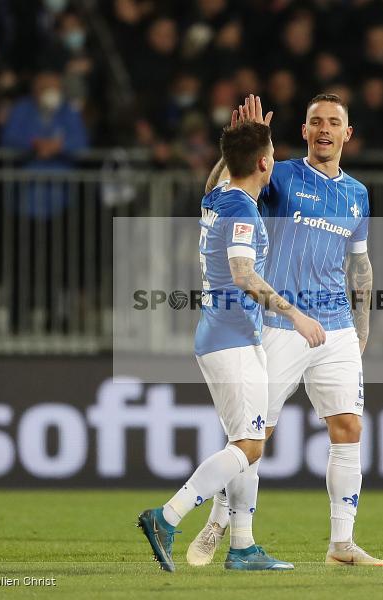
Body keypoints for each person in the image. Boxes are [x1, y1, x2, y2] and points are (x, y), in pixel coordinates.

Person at [189, 94, 383, 567]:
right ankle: (221, 523)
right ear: (303, 132)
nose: (324, 129)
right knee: (255, 435)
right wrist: (236, 145)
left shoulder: (357, 194)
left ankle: (342, 544)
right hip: (280, 323)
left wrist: (361, 326)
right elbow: (228, 188)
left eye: (333, 122)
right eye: (315, 121)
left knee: (348, 426)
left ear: (347, 134)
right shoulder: (283, 176)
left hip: (335, 325)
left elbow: (360, 263)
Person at [137, 120, 325, 573]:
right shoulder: (242, 209)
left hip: (225, 335)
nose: (276, 159)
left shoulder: (218, 197)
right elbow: (242, 273)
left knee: (248, 442)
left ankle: (242, 546)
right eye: (273, 152)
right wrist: (295, 314)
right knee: (249, 446)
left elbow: (215, 178)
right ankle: (168, 516)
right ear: (264, 163)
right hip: (232, 336)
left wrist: (242, 139)